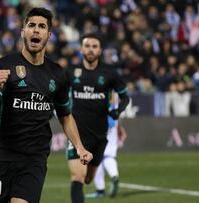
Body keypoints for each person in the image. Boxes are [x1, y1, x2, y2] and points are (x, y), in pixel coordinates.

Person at [0, 7, 93, 203]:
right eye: (31, 25)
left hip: (35, 158)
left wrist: (80, 147)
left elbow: (65, 115)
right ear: (23, 31)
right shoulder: (4, 65)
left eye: (42, 26)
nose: (36, 30)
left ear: (48, 35)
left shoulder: (57, 74)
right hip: (1, 154)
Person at [65, 33, 130, 203]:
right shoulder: (72, 72)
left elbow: (125, 97)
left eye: (94, 46)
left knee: (88, 179)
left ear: (100, 50)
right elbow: (57, 93)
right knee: (78, 177)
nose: (91, 49)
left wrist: (118, 112)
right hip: (77, 134)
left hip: (100, 135)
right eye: (87, 46)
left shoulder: (109, 73)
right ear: (81, 49)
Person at [86, 93, 128, 199]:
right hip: (112, 127)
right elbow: (116, 110)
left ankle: (100, 190)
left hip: (99, 127)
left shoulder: (99, 87)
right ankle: (114, 175)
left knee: (96, 158)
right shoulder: (115, 92)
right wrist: (119, 127)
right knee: (108, 155)